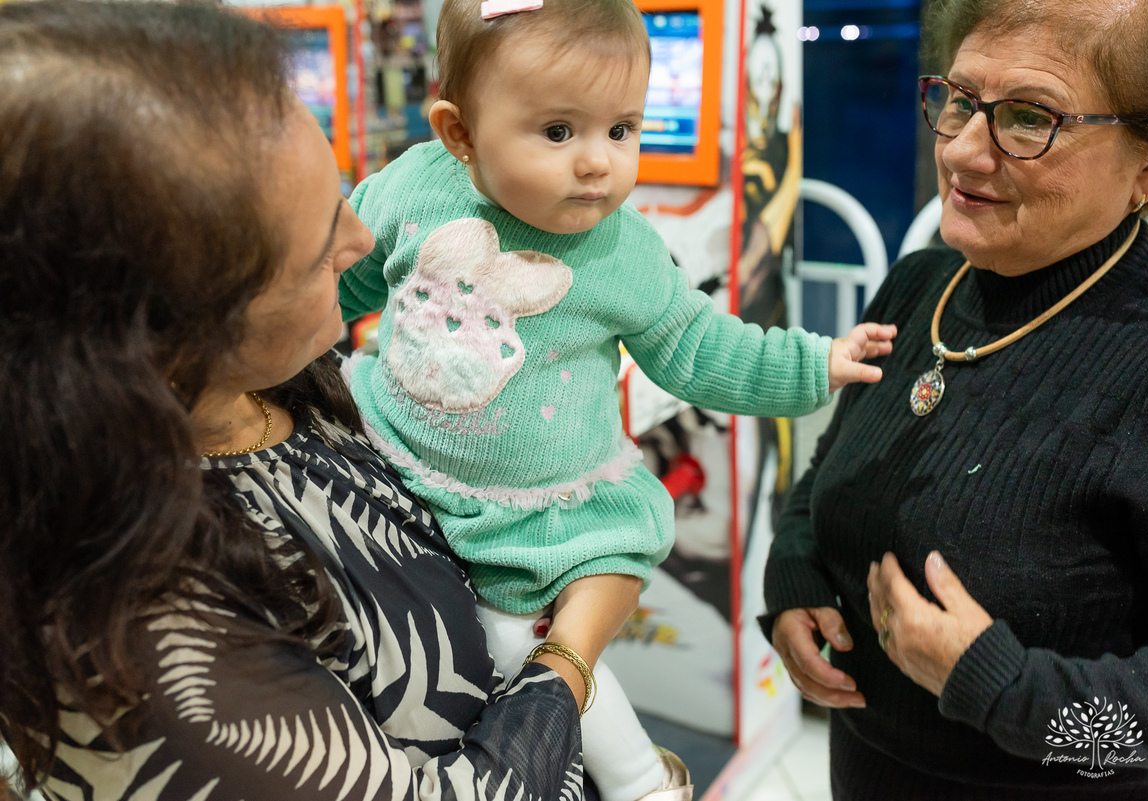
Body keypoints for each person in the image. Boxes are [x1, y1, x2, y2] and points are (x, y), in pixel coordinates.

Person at [0, 2, 642, 799]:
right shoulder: (155, 648)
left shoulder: (276, 383)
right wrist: (577, 646)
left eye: (344, 194)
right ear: (163, 327)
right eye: (312, 249)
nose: (362, 243)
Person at [338, 1, 896, 799]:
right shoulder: (408, 190)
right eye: (559, 132)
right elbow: (338, 279)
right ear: (458, 133)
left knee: (517, 647)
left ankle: (638, 780)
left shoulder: (623, 251)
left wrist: (816, 361)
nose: (599, 163)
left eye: (622, 129)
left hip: (528, 521)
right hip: (391, 465)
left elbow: (702, 347)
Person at [762, 0, 1148, 798]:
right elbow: (836, 466)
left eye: (1029, 118)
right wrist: (793, 577)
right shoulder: (917, 286)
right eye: (959, 100)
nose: (962, 149)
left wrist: (1004, 690)